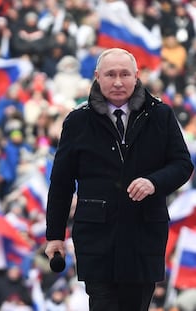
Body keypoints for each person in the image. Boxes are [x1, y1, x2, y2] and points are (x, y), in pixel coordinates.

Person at [44, 48, 194, 311]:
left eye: (124, 74)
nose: (117, 81)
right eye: (110, 74)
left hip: (144, 236)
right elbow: (61, 182)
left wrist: (154, 183)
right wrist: (55, 235)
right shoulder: (78, 121)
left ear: (136, 76)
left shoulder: (160, 115)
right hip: (97, 239)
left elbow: (182, 165)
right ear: (97, 76)